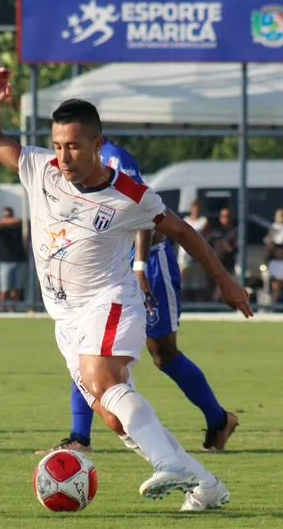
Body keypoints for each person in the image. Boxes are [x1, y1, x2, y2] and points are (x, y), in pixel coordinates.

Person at [0, 68, 253, 512]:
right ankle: (206, 485)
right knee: (113, 416)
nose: (63, 156)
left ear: (98, 145)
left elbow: (183, 232)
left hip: (110, 302)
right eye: (59, 145)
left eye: (74, 146)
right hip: (65, 319)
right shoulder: (39, 168)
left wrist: (224, 280)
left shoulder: (130, 196)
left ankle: (167, 462)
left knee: (107, 383)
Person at [38, 139, 238, 458]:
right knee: (87, 344)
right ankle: (80, 436)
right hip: (106, 270)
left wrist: (140, 264)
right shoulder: (67, 165)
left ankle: (218, 419)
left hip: (150, 261)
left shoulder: (116, 159)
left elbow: (142, 214)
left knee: (164, 353)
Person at [0, 206, 26, 302]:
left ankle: (13, 308)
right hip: (5, 262)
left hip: (19, 260)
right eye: (5, 216)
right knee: (4, 289)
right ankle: (3, 308)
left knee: (17, 288)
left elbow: (18, 222)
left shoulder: (18, 226)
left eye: (9, 216)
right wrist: (3, 222)